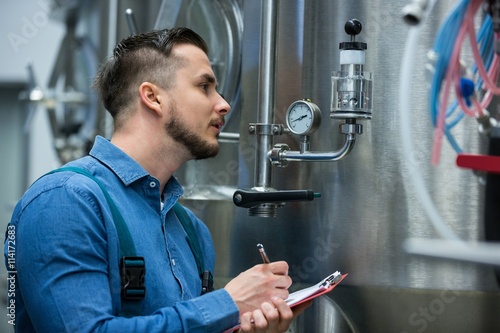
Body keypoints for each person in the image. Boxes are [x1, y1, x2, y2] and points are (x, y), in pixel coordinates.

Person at [4, 27, 311, 332]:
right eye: (204, 86)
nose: (224, 104)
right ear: (153, 97)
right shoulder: (65, 200)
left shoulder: (192, 230)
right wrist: (229, 303)